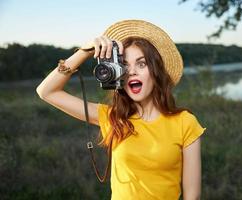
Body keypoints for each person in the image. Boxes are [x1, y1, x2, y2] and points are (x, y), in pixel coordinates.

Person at [36, 19, 206, 200]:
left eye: (141, 64)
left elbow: (192, 196)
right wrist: (84, 52)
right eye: (124, 65)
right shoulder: (111, 117)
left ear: (156, 72)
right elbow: (46, 92)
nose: (131, 71)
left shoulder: (185, 122)